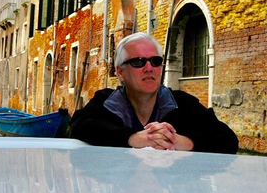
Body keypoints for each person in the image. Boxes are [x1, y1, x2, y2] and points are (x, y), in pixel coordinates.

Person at [70, 32, 239, 154]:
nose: (149, 68)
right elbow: (79, 126)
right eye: (138, 62)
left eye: (155, 61)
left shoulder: (182, 103)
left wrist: (180, 142)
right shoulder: (107, 102)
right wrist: (133, 138)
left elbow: (227, 140)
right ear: (120, 72)